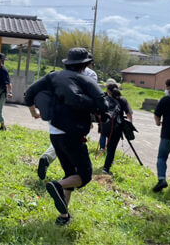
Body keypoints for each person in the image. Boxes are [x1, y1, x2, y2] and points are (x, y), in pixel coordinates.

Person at [24, 47, 109, 225]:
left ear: (68, 63)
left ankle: (63, 216)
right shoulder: (86, 80)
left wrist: (33, 111)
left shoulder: (53, 76)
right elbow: (104, 104)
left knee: (70, 173)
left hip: (54, 133)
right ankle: (57, 186)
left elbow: (29, 93)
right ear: (86, 64)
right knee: (84, 175)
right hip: (73, 134)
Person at [37, 51, 98, 180]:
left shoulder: (63, 73)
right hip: (75, 117)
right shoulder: (91, 75)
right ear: (89, 63)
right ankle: (70, 176)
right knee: (70, 142)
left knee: (60, 137)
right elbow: (88, 97)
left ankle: (48, 158)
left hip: (58, 112)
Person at [101, 83, 133, 175]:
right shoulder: (122, 100)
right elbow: (129, 114)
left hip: (105, 126)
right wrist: (129, 126)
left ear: (108, 90)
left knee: (108, 144)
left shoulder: (104, 99)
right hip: (116, 127)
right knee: (111, 148)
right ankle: (106, 168)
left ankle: (108, 160)